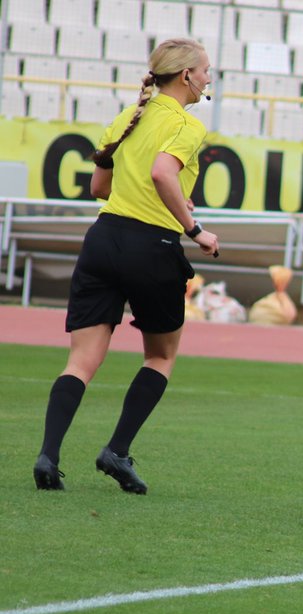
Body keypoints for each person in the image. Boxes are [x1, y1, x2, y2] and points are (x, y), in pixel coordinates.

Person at [32, 38, 219, 494]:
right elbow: (161, 172)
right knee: (161, 355)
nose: (210, 78)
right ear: (186, 76)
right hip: (151, 246)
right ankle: (116, 450)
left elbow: (100, 185)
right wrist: (194, 229)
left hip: (103, 239)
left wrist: (165, 195)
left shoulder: (127, 117)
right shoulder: (187, 125)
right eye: (206, 70)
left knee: (81, 360)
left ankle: (48, 456)